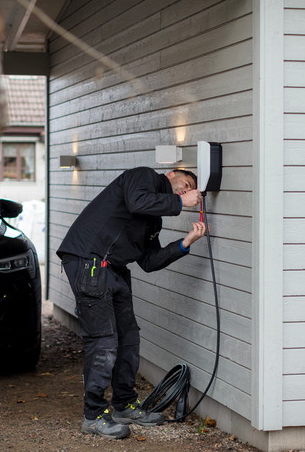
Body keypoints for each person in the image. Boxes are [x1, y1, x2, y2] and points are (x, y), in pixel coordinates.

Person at [56, 167, 206, 439]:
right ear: (170, 174)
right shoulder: (144, 176)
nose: (185, 191)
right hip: (89, 260)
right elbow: (138, 200)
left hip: (114, 268)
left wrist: (185, 242)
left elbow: (149, 262)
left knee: (128, 338)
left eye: (189, 189)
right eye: (184, 184)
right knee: (103, 341)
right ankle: (94, 415)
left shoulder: (153, 220)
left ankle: (124, 405)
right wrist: (181, 202)